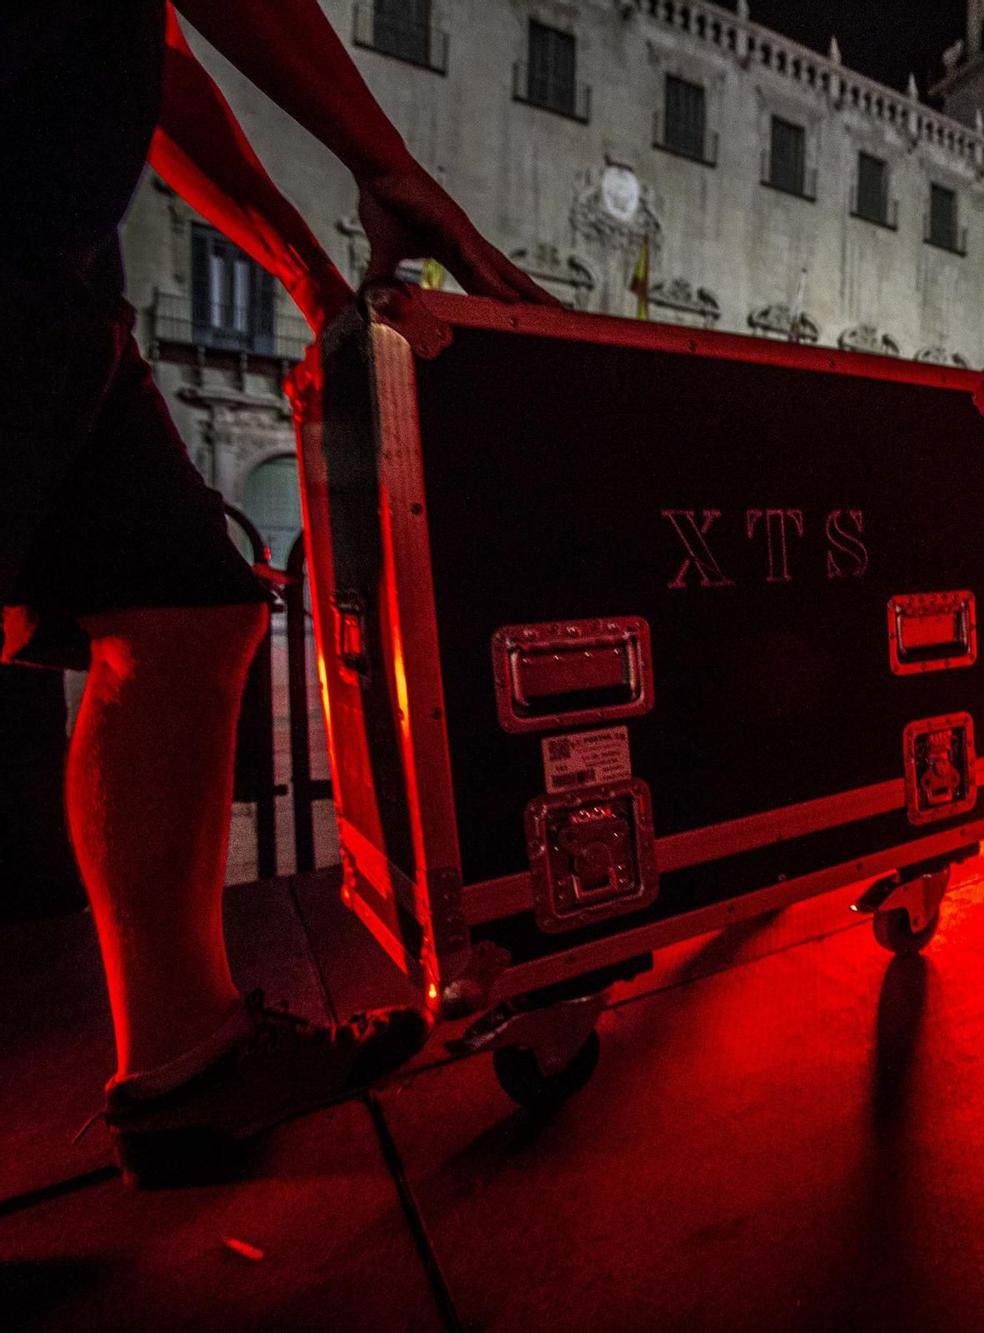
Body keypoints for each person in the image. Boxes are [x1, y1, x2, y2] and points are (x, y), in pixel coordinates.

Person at [1, 0, 552, 1186]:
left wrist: (303, 271)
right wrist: (384, 160)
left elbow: (152, 67)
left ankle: (185, 1061)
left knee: (187, 607)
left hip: (58, 271)